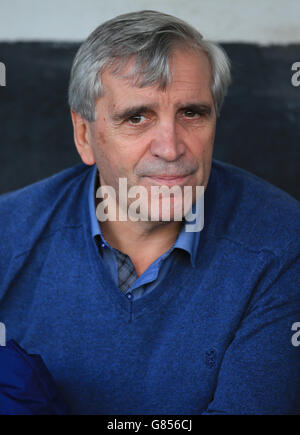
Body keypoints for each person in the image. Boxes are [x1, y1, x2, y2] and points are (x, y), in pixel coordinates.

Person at [0, 10, 299, 415]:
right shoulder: (9, 233)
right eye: (137, 117)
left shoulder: (282, 243)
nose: (171, 148)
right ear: (84, 135)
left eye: (191, 113)